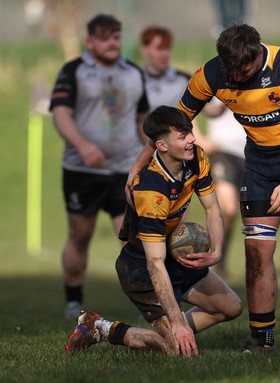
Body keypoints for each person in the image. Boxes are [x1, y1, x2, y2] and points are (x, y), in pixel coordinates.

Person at [126, 24, 280, 355]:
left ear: (257, 54)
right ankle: (261, 340)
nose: (237, 78)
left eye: (244, 71)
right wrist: (139, 165)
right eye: (231, 72)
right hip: (259, 166)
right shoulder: (212, 73)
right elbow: (172, 124)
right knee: (257, 250)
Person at [65, 106, 242, 357]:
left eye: (190, 132)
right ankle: (102, 328)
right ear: (162, 146)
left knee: (230, 307)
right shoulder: (151, 190)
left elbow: (213, 209)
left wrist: (217, 252)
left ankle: (173, 332)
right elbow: (155, 262)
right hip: (141, 269)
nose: (192, 139)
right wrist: (178, 324)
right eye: (182, 136)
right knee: (175, 350)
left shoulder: (196, 157)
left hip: (174, 256)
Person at [49, 14, 149, 319]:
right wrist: (83, 145)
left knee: (133, 238)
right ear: (90, 41)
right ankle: (73, 301)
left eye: (116, 37)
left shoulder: (133, 72)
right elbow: (61, 114)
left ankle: (146, 301)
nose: (112, 43)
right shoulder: (74, 70)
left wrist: (153, 152)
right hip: (83, 171)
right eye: (105, 38)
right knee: (80, 236)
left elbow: (141, 120)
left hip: (124, 171)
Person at [193, 98, 246, 279]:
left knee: (239, 213)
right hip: (222, 152)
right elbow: (189, 108)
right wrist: (200, 139)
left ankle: (219, 259)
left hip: (248, 153)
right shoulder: (215, 83)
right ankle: (212, 256)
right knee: (229, 209)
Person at [139, 26, 191, 110]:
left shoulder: (183, 79)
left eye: (167, 48)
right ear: (144, 51)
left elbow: (211, 110)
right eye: (159, 48)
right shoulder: (133, 80)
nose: (164, 54)